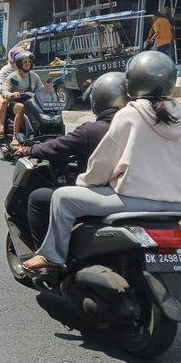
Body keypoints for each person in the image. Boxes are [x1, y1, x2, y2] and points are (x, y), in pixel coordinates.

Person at [23, 51, 181, 272]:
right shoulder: (177, 114)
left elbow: (103, 163)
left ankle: (52, 257)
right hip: (176, 205)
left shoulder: (129, 114)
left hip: (135, 200)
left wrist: (85, 183)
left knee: (62, 197)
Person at [13, 72, 128, 247]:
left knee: (38, 198)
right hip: (145, 199)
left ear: (98, 101)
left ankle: (46, 254)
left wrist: (29, 149)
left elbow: (57, 146)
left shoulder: (91, 130)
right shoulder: (144, 127)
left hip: (105, 195)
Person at [0, 51, 46, 145]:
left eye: (29, 61)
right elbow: (4, 91)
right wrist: (11, 94)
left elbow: (41, 90)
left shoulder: (34, 76)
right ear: (19, 63)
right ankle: (15, 137)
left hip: (30, 103)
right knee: (20, 107)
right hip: (14, 103)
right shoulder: (13, 76)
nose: (28, 63)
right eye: (25, 62)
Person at [0, 46, 25, 137]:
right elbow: (3, 86)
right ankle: (1, 127)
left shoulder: (24, 69)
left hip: (19, 97)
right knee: (3, 102)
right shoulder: (5, 70)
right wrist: (11, 93)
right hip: (2, 95)